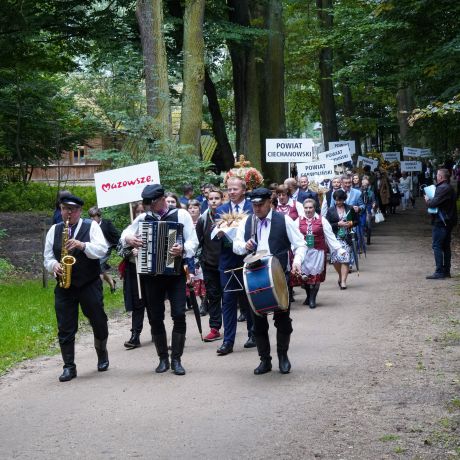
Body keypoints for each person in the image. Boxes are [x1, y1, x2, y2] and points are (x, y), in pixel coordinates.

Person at [120, 184, 198, 375]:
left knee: (179, 314)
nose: (147, 207)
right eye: (146, 203)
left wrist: (183, 249)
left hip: (175, 274)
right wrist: (130, 240)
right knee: (155, 316)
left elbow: (193, 241)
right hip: (151, 275)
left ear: (162, 199)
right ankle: (163, 358)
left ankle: (177, 359)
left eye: (151, 203)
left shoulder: (181, 215)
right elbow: (124, 235)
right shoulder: (143, 218)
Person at [233, 188, 305, 375]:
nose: (256, 208)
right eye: (254, 205)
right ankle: (265, 360)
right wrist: (244, 246)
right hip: (254, 277)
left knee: (283, 321)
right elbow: (236, 245)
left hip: (280, 275)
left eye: (260, 205)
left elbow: (300, 244)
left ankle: (283, 356)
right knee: (258, 323)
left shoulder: (284, 220)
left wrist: (297, 261)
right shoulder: (247, 221)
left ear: (270, 203)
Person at [43, 194, 109, 382]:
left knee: (98, 321)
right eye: (65, 209)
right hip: (64, 285)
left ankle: (102, 352)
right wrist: (53, 265)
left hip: (88, 283)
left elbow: (102, 250)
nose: (68, 213)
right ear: (61, 210)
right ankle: (69, 366)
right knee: (65, 326)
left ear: (79, 211)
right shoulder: (54, 230)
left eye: (72, 210)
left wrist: (82, 245)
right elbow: (47, 257)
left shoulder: (91, 226)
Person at [215, 176, 255, 355]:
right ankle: (228, 341)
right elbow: (215, 231)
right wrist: (219, 233)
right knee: (228, 300)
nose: (231, 192)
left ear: (243, 190)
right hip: (228, 261)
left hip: (248, 258)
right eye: (229, 189)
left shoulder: (252, 207)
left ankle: (254, 334)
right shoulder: (221, 209)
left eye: (235, 189)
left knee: (249, 298)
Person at [298, 198, 345, 308]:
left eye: (310, 207)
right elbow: (294, 238)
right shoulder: (298, 220)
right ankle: (308, 295)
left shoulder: (322, 220)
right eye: (306, 208)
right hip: (303, 253)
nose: (308, 210)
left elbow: (330, 237)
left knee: (316, 277)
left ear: (314, 208)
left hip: (317, 252)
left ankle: (312, 299)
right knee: (304, 276)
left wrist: (339, 249)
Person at [118, 202, 153, 349]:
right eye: (137, 212)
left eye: (142, 212)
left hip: (150, 270)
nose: (139, 215)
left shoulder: (152, 226)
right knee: (138, 303)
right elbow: (119, 250)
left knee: (152, 302)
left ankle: (156, 331)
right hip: (133, 270)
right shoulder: (129, 231)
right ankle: (135, 335)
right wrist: (130, 251)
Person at [195, 187, 224, 342]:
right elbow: (197, 242)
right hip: (209, 264)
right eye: (211, 199)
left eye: (217, 198)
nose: (213, 201)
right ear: (207, 201)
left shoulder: (229, 217)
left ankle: (233, 326)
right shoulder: (203, 219)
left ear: (222, 200)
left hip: (227, 265)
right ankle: (215, 328)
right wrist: (194, 263)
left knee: (229, 296)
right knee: (213, 296)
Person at [424, 168, 458, 279]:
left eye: (437, 175)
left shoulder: (443, 188)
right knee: (445, 246)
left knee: (437, 245)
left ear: (441, 177)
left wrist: (427, 200)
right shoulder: (449, 188)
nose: (436, 176)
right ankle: (446, 271)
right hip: (448, 221)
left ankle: (439, 272)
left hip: (441, 221)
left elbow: (433, 203)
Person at [326, 189, 358, 290]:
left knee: (345, 259)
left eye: (340, 200)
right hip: (335, 238)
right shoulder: (330, 210)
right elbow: (327, 225)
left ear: (344, 199)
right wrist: (338, 224)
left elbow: (356, 221)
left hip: (347, 237)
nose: (338, 202)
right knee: (335, 260)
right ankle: (340, 275)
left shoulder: (350, 208)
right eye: (336, 200)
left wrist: (350, 223)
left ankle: (343, 281)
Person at [88, 206, 120, 293]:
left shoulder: (106, 223)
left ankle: (98, 292)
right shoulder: (89, 225)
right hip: (95, 249)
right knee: (98, 267)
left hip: (106, 248)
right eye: (90, 216)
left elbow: (115, 234)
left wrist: (119, 246)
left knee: (98, 267)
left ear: (99, 216)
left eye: (94, 216)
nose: (92, 218)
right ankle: (111, 281)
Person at [186, 199, 207, 315]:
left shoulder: (203, 221)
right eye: (190, 207)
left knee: (203, 280)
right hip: (189, 255)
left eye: (195, 207)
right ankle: (200, 301)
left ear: (199, 209)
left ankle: (204, 303)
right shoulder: (186, 223)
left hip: (202, 253)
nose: (192, 209)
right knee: (194, 280)